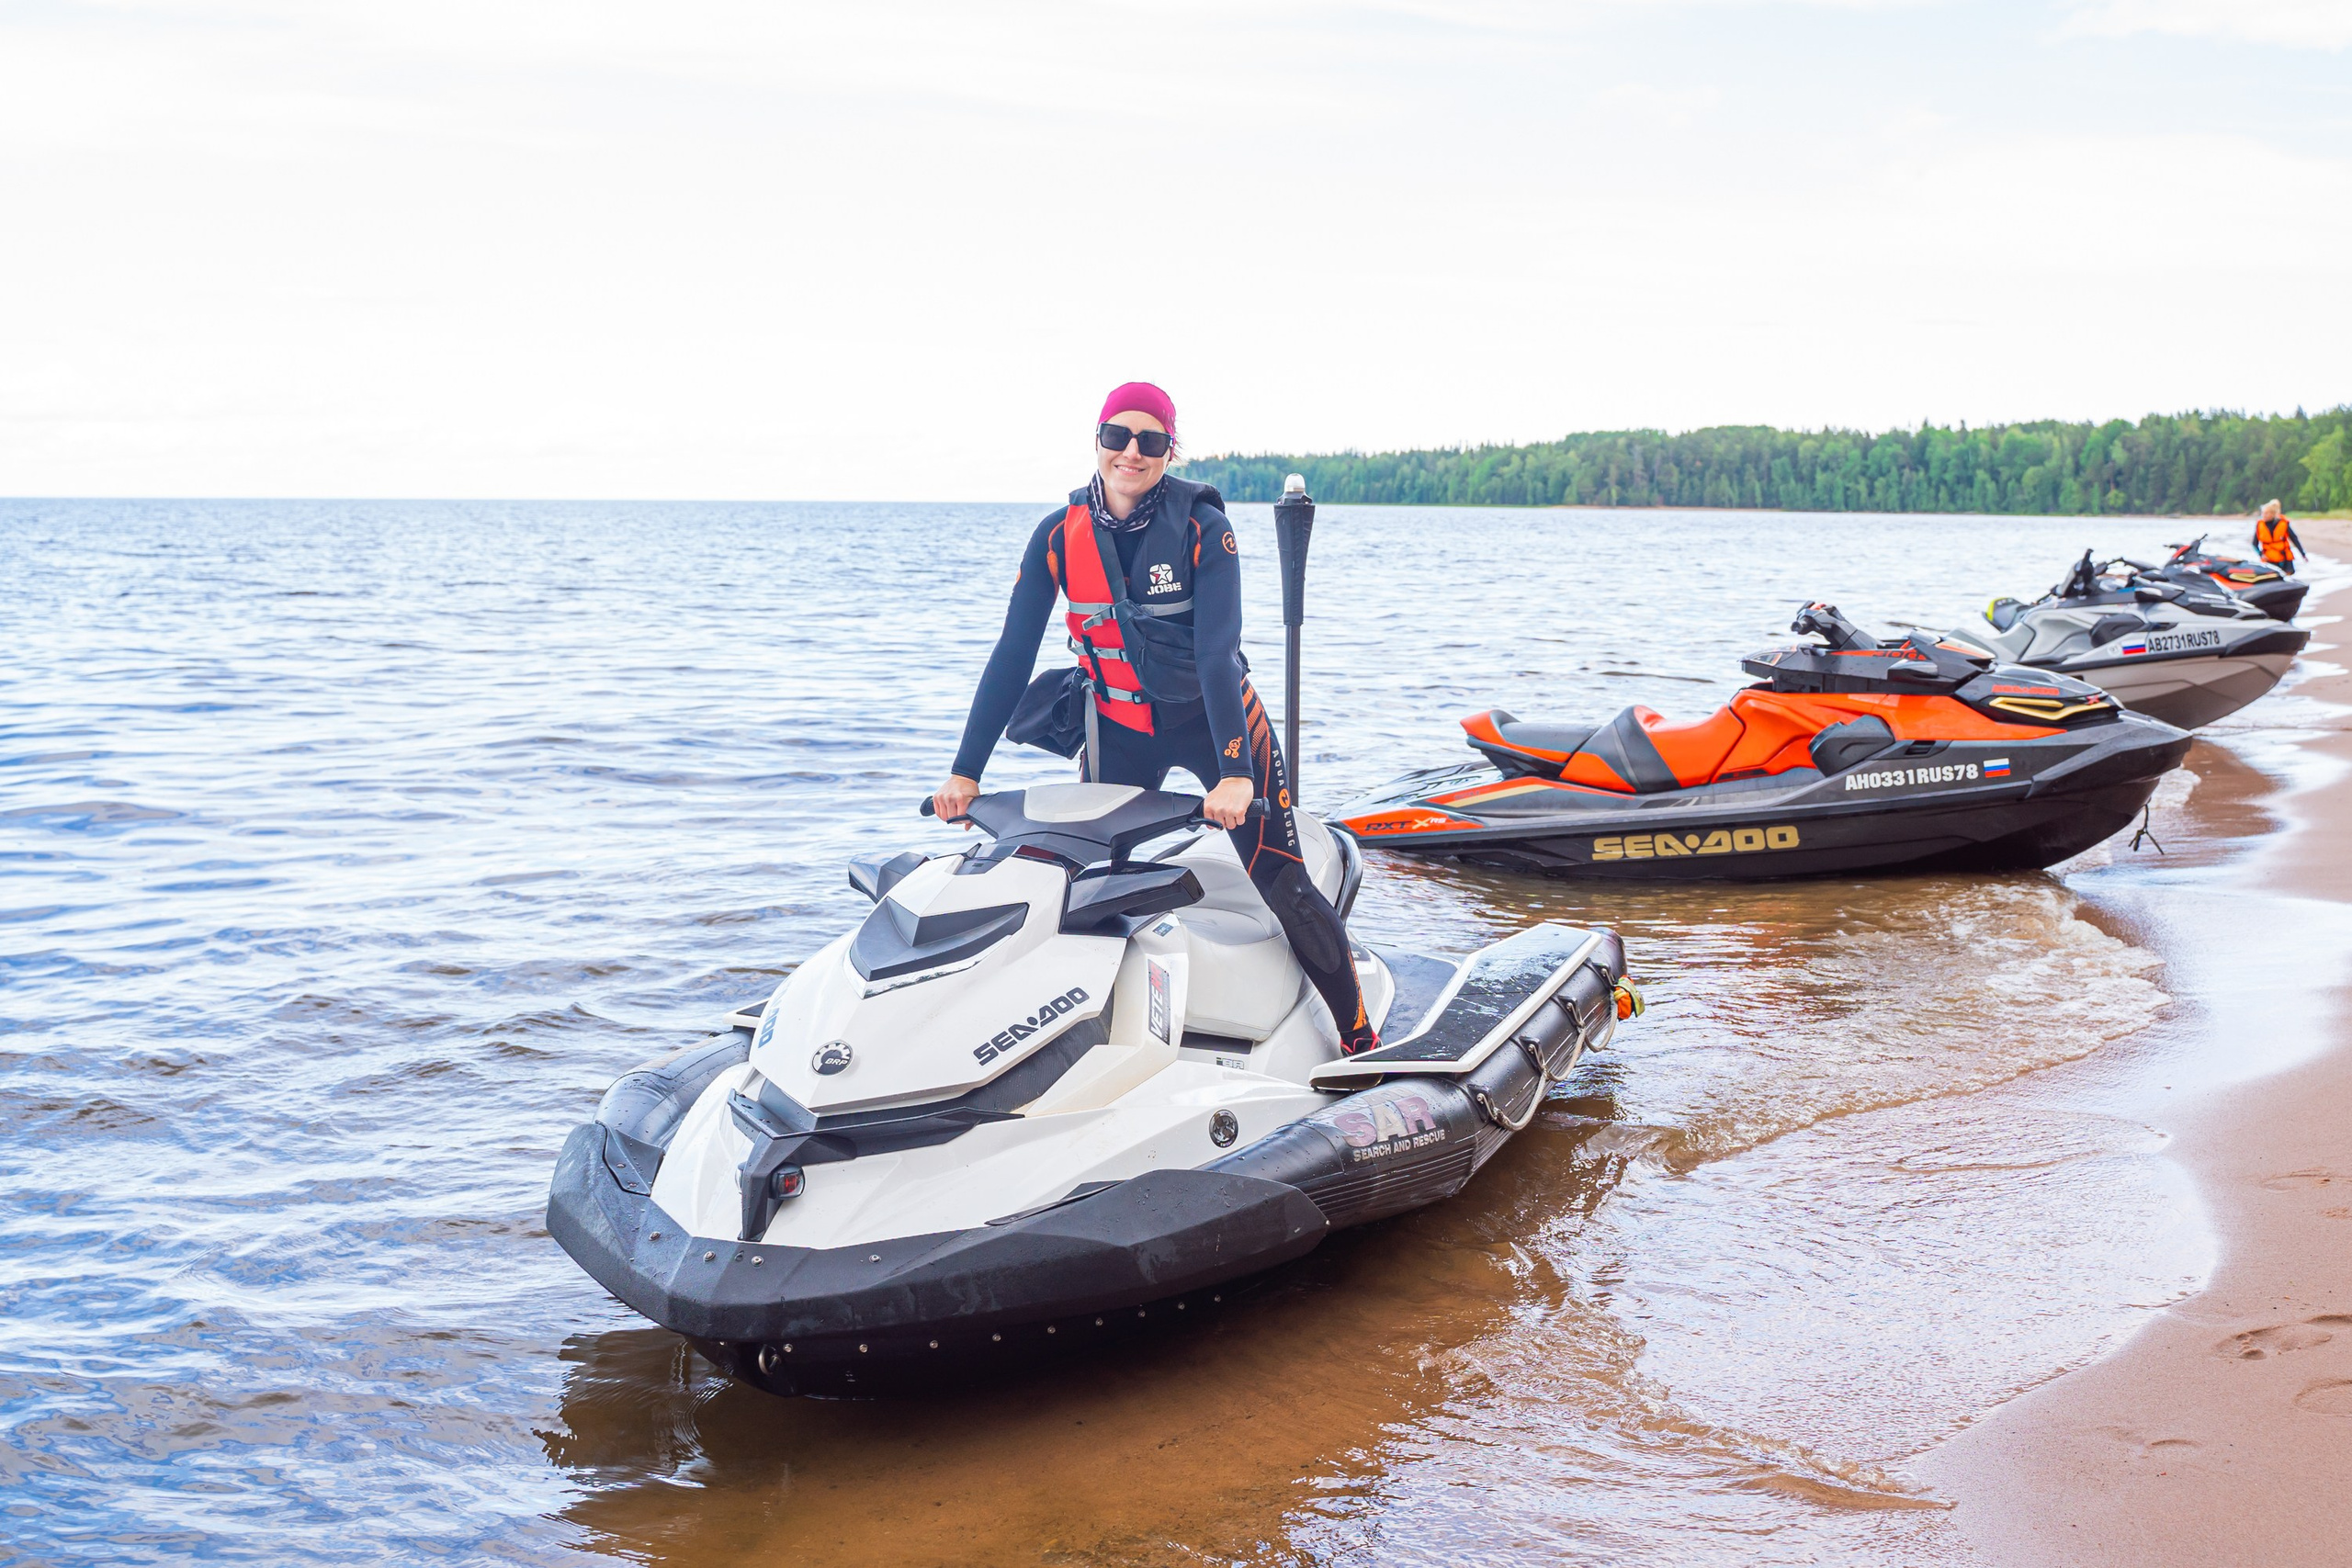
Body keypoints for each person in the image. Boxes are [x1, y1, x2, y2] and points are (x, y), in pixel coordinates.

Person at [933, 382, 1380, 1055]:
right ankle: (1067, 1041)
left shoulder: (1203, 527)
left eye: (1151, 440)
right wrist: (965, 772)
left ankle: (1358, 1038)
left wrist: (1234, 774)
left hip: (1214, 721)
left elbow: (1217, 653)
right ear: (1098, 440)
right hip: (1116, 725)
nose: (1132, 453)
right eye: (1118, 436)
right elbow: (1012, 654)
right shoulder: (1057, 536)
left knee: (1282, 880)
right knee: (1081, 887)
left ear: (1172, 449)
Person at [2254, 500, 2306, 572]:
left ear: (2273, 514)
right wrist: (2261, 555)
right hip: (2269, 559)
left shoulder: (2283, 523)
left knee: (2288, 574)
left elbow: (2294, 539)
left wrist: (2302, 554)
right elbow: (2254, 544)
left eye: (2266, 513)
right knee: (2271, 577)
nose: (2263, 515)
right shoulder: (2259, 525)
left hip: (2284, 559)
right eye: (2263, 513)